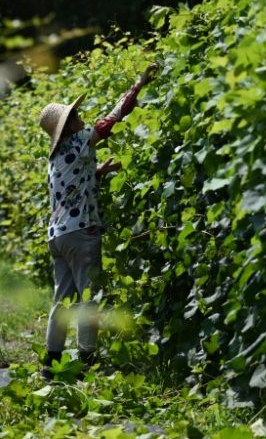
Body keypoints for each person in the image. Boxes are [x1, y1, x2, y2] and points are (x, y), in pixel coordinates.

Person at [37, 63, 159, 380]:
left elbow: (72, 187)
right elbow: (113, 119)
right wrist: (139, 84)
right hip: (81, 234)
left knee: (62, 300)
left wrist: (99, 173)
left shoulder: (55, 159)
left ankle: (50, 365)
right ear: (68, 128)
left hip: (57, 237)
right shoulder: (80, 143)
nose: (81, 119)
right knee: (89, 299)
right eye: (75, 117)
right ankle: (86, 364)